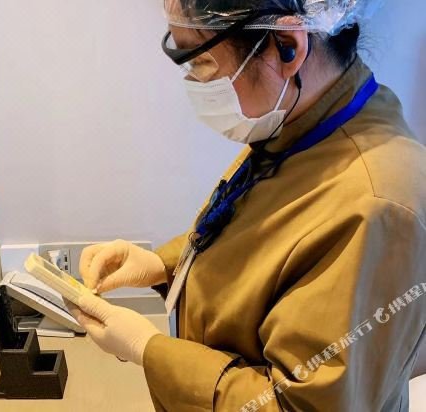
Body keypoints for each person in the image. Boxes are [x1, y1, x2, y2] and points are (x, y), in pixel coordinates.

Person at [66, 1, 426, 410]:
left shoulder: (377, 207)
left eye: (202, 62)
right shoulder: (305, 125)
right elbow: (268, 237)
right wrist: (164, 265)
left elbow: (297, 406)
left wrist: (148, 349)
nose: (193, 82)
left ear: (287, 45)